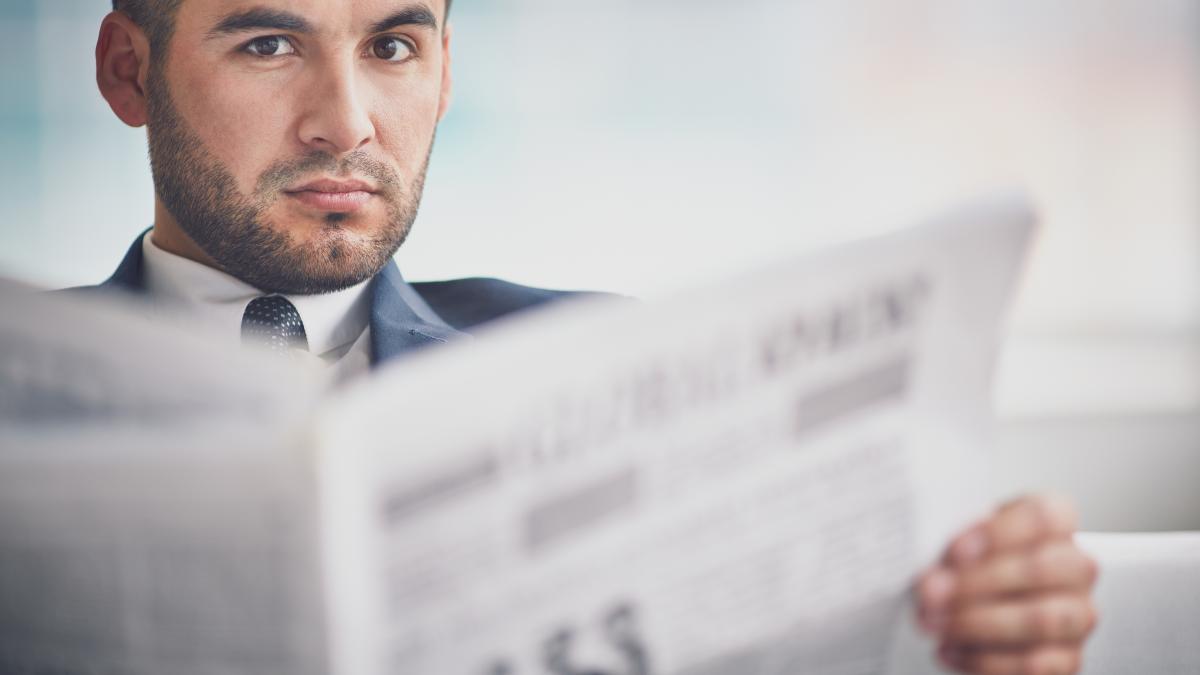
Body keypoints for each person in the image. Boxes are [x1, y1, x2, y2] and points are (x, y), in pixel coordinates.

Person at [90, 0, 1099, 672]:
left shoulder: (613, 365)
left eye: (393, 47)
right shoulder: (28, 402)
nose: (344, 122)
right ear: (130, 72)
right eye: (269, 44)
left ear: (443, 77)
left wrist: (958, 631)